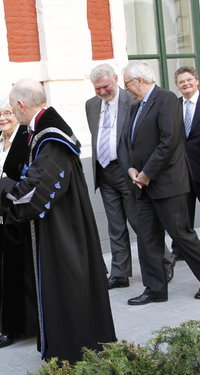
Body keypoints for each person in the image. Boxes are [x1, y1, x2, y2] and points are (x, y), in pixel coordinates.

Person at [0, 78, 116, 363]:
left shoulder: (51, 135)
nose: (13, 113)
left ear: (22, 105)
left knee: (67, 282)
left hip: (64, 226)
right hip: (60, 221)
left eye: (13, 108)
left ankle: (73, 351)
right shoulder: (43, 128)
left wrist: (4, 191)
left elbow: (38, 186)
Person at [86, 64, 175, 289]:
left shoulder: (132, 100)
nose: (102, 92)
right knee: (115, 225)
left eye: (105, 86)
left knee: (140, 223)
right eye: (97, 88)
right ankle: (120, 273)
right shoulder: (91, 105)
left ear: (115, 79)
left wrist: (141, 170)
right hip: (104, 171)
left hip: (129, 171)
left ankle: (164, 262)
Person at [123, 61, 200, 304]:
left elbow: (169, 141)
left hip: (167, 184)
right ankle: (155, 289)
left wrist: (147, 173)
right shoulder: (136, 108)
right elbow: (129, 142)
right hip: (143, 186)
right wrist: (132, 169)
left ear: (138, 80)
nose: (126, 89)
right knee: (147, 239)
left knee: (182, 236)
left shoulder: (166, 99)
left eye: (127, 84)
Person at [0, 97, 38, 349]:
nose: (2, 118)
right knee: (5, 271)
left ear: (17, 112)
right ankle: (11, 327)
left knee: (25, 269)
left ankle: (35, 324)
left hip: (22, 215)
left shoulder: (28, 137)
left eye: (7, 112)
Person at [173, 66, 200, 264]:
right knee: (183, 212)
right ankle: (181, 250)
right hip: (182, 169)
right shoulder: (174, 105)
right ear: (177, 86)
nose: (185, 84)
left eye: (189, 80)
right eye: (181, 81)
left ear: (196, 81)